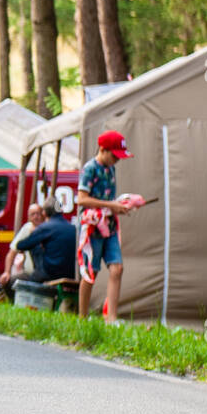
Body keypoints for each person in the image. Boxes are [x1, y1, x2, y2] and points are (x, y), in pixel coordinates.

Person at [77, 130, 136, 322]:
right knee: (90, 272)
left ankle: (111, 317)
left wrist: (119, 207)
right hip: (93, 228)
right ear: (102, 150)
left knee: (117, 268)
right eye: (114, 156)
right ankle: (82, 317)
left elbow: (108, 199)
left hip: (109, 227)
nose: (117, 161)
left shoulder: (111, 170)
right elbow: (82, 199)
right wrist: (112, 205)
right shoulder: (90, 169)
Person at [3, 197, 76, 286]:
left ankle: (34, 278)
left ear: (44, 213)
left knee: (36, 246)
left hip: (49, 274)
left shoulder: (45, 228)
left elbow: (21, 245)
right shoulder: (73, 228)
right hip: (72, 273)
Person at [1, 202, 44, 284]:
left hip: (45, 274)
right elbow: (12, 252)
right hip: (29, 274)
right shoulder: (26, 228)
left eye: (38, 214)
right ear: (29, 217)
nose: (35, 217)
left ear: (43, 214)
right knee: (9, 282)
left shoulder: (48, 228)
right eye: (32, 214)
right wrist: (7, 272)